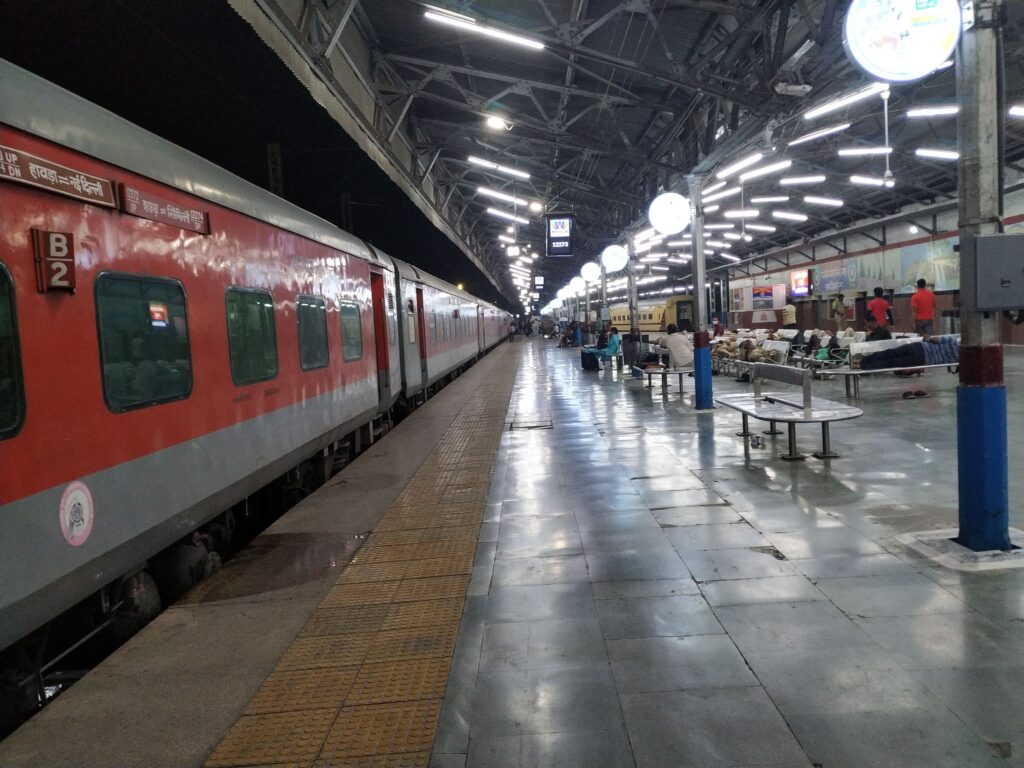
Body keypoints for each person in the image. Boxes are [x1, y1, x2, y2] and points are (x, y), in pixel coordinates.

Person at [853, 334, 959, 370]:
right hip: (922, 359)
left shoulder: (956, 340)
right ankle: (861, 366)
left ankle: (861, 360)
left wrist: (927, 338)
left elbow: (934, 339)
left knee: (889, 353)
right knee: (891, 362)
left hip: (919, 347)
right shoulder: (962, 356)